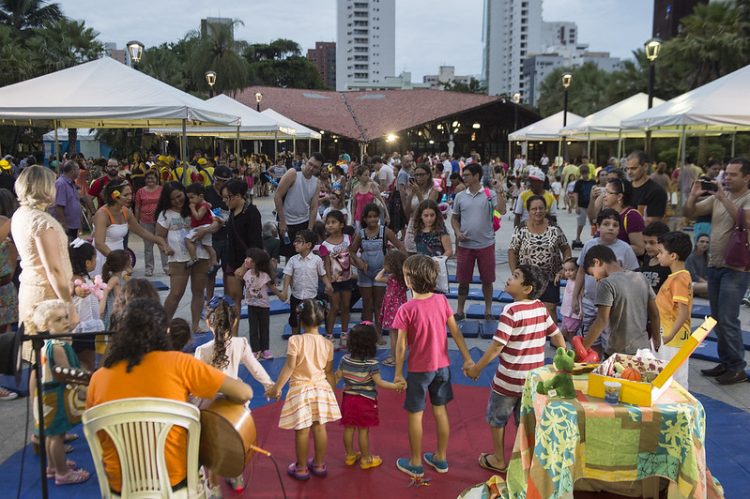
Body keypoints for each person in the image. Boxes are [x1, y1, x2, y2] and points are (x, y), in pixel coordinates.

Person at [86, 299, 253, 494]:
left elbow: (98, 435)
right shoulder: (181, 364)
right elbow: (244, 393)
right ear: (165, 331)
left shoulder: (98, 379)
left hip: (121, 488)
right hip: (176, 485)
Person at [465, 264, 566, 473]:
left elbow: (497, 346)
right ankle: (526, 460)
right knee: (525, 421)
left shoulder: (510, 310)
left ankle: (499, 459)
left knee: (497, 418)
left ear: (527, 288)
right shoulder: (540, 307)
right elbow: (556, 334)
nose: (510, 278)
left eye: (516, 276)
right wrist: (562, 358)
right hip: (533, 380)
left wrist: (477, 368)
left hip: (508, 380)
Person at [392, 255, 474, 478]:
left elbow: (401, 346)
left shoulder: (406, 308)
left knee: (415, 415)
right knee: (440, 411)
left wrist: (398, 373)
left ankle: (416, 462)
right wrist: (467, 358)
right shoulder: (441, 301)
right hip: (442, 368)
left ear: (409, 280)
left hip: (419, 370)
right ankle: (440, 457)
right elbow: (456, 332)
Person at [684, 158, 750, 384]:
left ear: (746, 177)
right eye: (727, 174)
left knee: (728, 318)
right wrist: (693, 194)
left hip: (737, 268)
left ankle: (737, 367)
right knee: (716, 317)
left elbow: (746, 220)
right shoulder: (719, 197)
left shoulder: (745, 198)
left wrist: (721, 196)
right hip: (715, 264)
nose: (727, 178)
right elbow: (690, 212)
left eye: (733, 175)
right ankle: (726, 361)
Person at [265, 299, 341, 481]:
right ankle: (320, 464)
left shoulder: (295, 340)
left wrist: (277, 387)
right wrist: (332, 391)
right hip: (321, 389)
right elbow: (329, 371)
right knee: (320, 428)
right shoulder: (328, 344)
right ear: (322, 320)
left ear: (300, 320)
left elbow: (289, 367)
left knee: (302, 430)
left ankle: (301, 468)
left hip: (301, 390)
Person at [12, 166, 79, 352]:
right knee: (54, 355)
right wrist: (69, 305)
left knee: (35, 358)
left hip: (30, 290)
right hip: (48, 298)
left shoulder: (20, 215)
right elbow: (53, 269)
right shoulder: (42, 223)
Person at [28, 300, 90, 485]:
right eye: (58, 320)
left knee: (52, 435)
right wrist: (84, 378)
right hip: (55, 396)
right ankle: (63, 473)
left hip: (49, 395)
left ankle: (54, 466)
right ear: (45, 325)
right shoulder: (57, 346)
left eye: (65, 317)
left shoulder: (50, 343)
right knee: (56, 436)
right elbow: (66, 372)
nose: (65, 322)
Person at [335, 323, 405, 470]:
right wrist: (396, 386)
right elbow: (380, 382)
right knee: (363, 430)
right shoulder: (371, 363)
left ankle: (349, 455)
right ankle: (366, 459)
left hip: (348, 399)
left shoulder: (345, 360)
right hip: (365, 401)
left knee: (348, 427)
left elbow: (336, 378)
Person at [572, 209, 640, 353]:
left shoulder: (625, 249)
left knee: (609, 340)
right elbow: (580, 271)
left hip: (612, 306)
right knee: (590, 338)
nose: (611, 227)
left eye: (615, 225)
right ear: (597, 226)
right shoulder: (589, 245)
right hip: (589, 302)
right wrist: (574, 297)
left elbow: (633, 276)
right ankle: (593, 362)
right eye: (606, 224)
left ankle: (604, 365)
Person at [580, 245, 660, 357]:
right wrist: (657, 339)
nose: (596, 279)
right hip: (643, 349)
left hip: (619, 352)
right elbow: (655, 314)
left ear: (596, 262)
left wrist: (582, 349)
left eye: (593, 274)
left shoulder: (606, 284)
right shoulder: (640, 277)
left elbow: (601, 321)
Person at [156, 182, 214, 332]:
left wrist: (206, 230)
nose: (177, 201)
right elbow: (159, 236)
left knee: (199, 291)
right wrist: (165, 248)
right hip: (178, 257)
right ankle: (163, 326)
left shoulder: (197, 206)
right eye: (173, 199)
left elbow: (215, 221)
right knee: (176, 293)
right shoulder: (165, 214)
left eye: (179, 196)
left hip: (200, 254)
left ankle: (195, 325)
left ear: (185, 192)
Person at [451, 163, 506, 321]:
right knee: (463, 280)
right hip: (465, 245)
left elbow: (502, 210)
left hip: (486, 244)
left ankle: (488, 311)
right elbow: (454, 218)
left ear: (476, 176)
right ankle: (460, 311)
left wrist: (500, 191)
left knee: (487, 280)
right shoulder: (460, 196)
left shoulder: (489, 194)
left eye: (467, 175)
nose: (464, 178)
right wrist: (457, 232)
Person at [508, 195, 571, 320]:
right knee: (528, 311)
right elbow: (512, 251)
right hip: (527, 278)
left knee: (550, 309)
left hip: (551, 278)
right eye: (534, 209)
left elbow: (566, 248)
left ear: (546, 210)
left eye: (541, 208)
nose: (538, 211)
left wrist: (565, 267)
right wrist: (515, 273)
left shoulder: (554, 228)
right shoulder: (520, 229)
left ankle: (553, 338)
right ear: (528, 211)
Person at [350, 203, 405, 343]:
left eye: (375, 216)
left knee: (379, 304)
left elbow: (400, 246)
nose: (373, 220)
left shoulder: (385, 231)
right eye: (370, 217)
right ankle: (367, 334)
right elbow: (351, 251)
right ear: (365, 218)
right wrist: (359, 262)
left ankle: (378, 333)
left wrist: (397, 265)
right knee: (367, 303)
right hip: (365, 272)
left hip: (382, 273)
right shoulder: (360, 233)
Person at [91, 180, 170, 277]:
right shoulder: (102, 215)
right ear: (114, 196)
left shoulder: (125, 211)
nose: (130, 198)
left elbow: (141, 232)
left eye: (131, 194)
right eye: (126, 195)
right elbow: (99, 244)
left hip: (118, 254)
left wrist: (158, 240)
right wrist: (119, 261)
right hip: (104, 255)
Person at [655, 232, 693, 389]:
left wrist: (669, 336)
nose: (658, 256)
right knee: (668, 377)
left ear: (673, 256)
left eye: (661, 252)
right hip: (669, 336)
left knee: (674, 380)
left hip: (673, 339)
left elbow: (683, 312)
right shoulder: (677, 277)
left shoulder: (679, 279)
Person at [235, 247, 284, 360]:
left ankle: (265, 349)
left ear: (257, 262)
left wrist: (280, 295)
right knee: (253, 329)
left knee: (264, 328)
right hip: (251, 305)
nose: (246, 260)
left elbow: (272, 287)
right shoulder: (246, 273)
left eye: (249, 258)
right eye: (246, 257)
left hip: (263, 306)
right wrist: (243, 265)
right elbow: (237, 274)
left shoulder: (264, 276)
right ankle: (255, 350)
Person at [282, 230, 333, 335]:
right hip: (296, 296)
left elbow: (322, 275)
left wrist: (328, 285)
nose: (294, 243)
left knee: (311, 322)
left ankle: (309, 343)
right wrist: (285, 290)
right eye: (295, 241)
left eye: (299, 241)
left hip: (311, 297)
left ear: (308, 245)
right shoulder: (293, 260)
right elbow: (288, 275)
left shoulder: (317, 260)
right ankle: (295, 342)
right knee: (294, 322)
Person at [275, 153, 323, 258]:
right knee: (289, 255)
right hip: (287, 221)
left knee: (302, 255)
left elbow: (314, 208)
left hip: (303, 221)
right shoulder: (293, 173)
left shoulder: (316, 182)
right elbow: (277, 196)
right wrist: (282, 222)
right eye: (310, 164)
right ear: (306, 161)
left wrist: (309, 229)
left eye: (315, 167)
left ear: (319, 169)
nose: (311, 168)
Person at [319, 210, 354, 345]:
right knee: (334, 307)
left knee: (345, 306)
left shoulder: (347, 239)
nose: (330, 225)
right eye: (328, 223)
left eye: (333, 222)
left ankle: (344, 334)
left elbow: (352, 256)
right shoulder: (325, 245)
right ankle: (329, 334)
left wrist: (360, 265)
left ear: (341, 224)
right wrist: (328, 283)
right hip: (334, 281)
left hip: (347, 279)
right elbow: (326, 265)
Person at [588, 178, 646, 257]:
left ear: (619, 196)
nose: (604, 195)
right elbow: (592, 219)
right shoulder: (607, 212)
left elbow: (640, 249)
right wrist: (592, 199)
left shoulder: (632, 215)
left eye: (608, 192)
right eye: (604, 191)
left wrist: (610, 247)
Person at [68, 239, 102, 370]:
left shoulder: (85, 278)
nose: (96, 261)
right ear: (87, 263)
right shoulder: (74, 280)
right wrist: (76, 290)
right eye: (95, 259)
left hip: (89, 326)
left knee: (87, 360)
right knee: (86, 361)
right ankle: (85, 383)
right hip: (81, 329)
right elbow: (71, 289)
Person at [202, 166, 232, 302]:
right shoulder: (207, 192)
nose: (223, 184)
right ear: (214, 179)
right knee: (210, 272)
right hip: (211, 239)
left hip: (228, 236)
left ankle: (227, 299)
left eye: (226, 181)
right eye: (220, 181)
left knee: (228, 271)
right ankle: (209, 300)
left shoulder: (231, 192)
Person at [375, 249, 408, 367]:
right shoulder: (404, 278)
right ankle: (399, 356)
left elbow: (377, 278)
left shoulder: (391, 278)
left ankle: (394, 358)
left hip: (391, 307)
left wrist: (384, 269)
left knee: (393, 334)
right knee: (400, 334)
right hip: (401, 306)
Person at [134, 171, 167, 276]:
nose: (150, 180)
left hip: (160, 221)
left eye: (152, 178)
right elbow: (137, 206)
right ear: (145, 179)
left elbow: (166, 203)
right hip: (145, 221)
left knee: (162, 243)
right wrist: (136, 220)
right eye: (148, 178)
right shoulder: (140, 191)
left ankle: (166, 267)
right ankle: (149, 268)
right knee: (148, 247)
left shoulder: (162, 190)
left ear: (156, 179)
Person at [402, 163, 439, 252]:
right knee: (410, 254)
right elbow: (407, 212)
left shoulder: (433, 190)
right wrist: (410, 195)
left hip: (427, 226)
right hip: (412, 224)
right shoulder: (412, 189)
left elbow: (428, 209)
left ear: (428, 175)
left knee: (425, 255)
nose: (418, 177)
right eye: (416, 175)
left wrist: (418, 193)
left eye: (421, 174)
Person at [626, 150, 668, 224]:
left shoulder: (656, 191)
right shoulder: (625, 188)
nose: (629, 172)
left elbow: (654, 221)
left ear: (645, 167)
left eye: (634, 168)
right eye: (627, 168)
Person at [184, 183, 217, 269]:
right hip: (204, 226)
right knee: (207, 245)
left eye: (192, 197)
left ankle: (194, 258)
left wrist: (192, 208)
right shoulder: (203, 204)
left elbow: (198, 217)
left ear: (201, 196)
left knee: (188, 240)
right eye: (189, 198)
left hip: (202, 226)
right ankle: (214, 263)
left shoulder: (203, 206)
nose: (190, 200)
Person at [351, 165, 389, 230]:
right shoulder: (355, 188)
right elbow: (354, 205)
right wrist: (352, 219)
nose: (368, 177)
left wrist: (387, 215)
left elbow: (381, 200)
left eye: (368, 174)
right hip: (359, 218)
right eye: (365, 175)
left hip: (372, 218)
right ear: (359, 176)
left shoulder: (372, 186)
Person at [53, 160, 82, 242]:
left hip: (73, 225)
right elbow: (59, 206)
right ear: (73, 170)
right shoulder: (61, 184)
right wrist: (64, 224)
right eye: (78, 169)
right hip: (67, 226)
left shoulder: (71, 183)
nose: (79, 172)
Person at [639, 222, 671, 293]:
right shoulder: (647, 258)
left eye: (652, 243)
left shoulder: (668, 265)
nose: (647, 246)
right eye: (645, 242)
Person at [571, 165, 596, 249]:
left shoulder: (593, 182)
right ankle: (578, 238)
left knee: (593, 223)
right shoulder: (579, 183)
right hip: (582, 205)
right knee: (581, 223)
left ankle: (595, 237)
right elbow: (575, 194)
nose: (585, 175)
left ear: (589, 173)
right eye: (583, 173)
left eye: (586, 173)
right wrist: (576, 205)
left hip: (591, 205)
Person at [559, 258, 581, 339]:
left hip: (574, 314)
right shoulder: (569, 280)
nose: (568, 272)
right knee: (565, 333)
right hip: (566, 313)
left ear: (579, 270)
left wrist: (581, 311)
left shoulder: (578, 283)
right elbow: (562, 275)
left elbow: (581, 298)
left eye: (571, 270)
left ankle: (575, 350)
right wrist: (558, 275)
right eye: (566, 270)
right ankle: (571, 349)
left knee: (572, 334)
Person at [686, 234, 709, 298]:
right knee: (710, 287)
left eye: (707, 242)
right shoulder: (690, 257)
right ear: (696, 243)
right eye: (702, 241)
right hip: (690, 284)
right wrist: (706, 282)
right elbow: (693, 276)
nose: (704, 244)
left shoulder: (707, 257)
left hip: (702, 284)